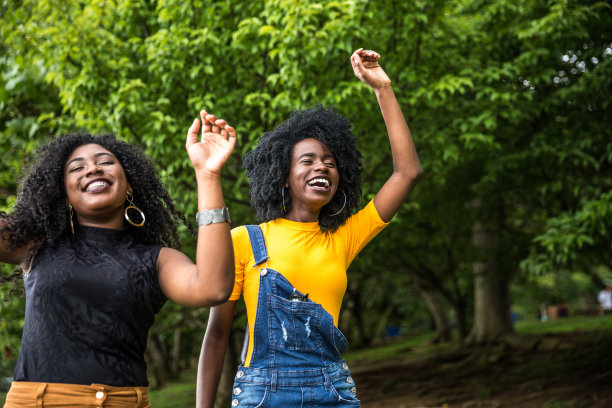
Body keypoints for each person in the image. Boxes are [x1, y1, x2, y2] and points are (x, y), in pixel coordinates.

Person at [197, 48, 423, 407]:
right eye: (309, 161)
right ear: (283, 177)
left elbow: (407, 172)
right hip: (262, 396)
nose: (322, 167)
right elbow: (217, 334)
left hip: (332, 392)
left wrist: (383, 89)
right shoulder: (244, 241)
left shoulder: (343, 236)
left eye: (330, 163)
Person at [0, 110, 236, 408]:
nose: (93, 170)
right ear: (63, 194)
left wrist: (208, 174)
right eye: (76, 168)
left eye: (106, 163)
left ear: (130, 186)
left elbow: (213, 288)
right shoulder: (36, 243)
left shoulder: (158, 260)